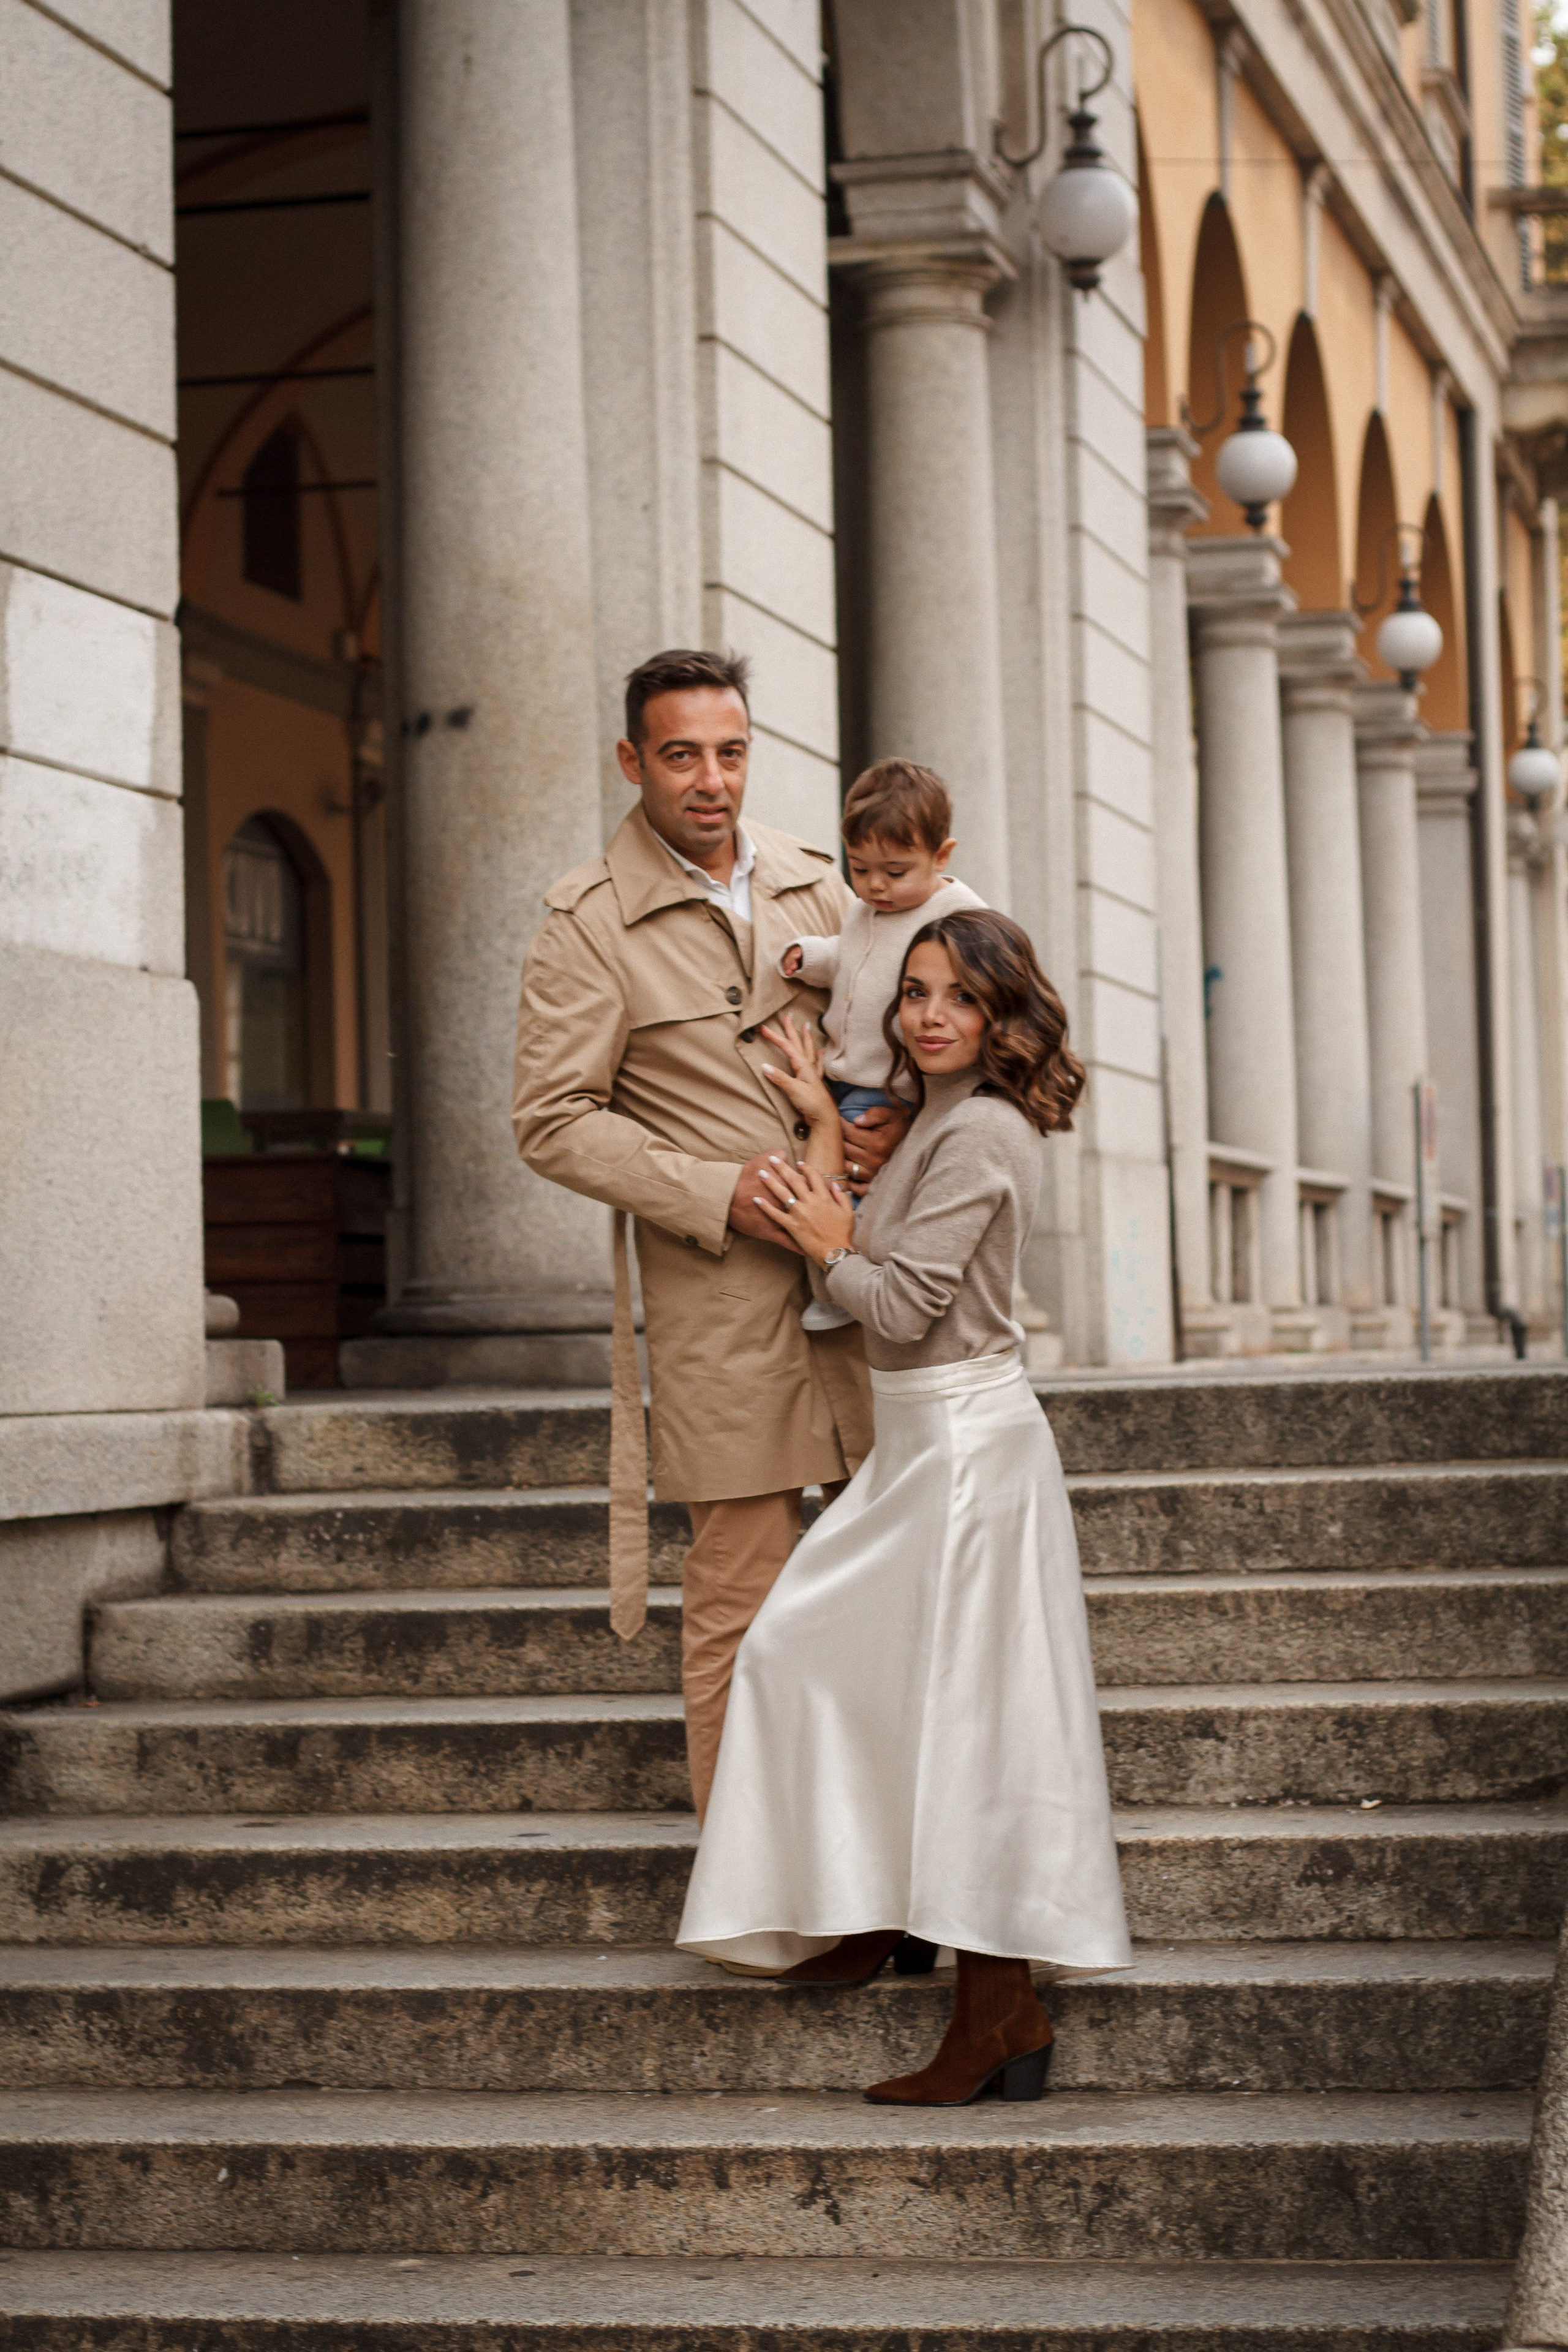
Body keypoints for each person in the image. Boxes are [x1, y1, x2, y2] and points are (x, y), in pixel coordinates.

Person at [677, 907, 1131, 2105]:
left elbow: (893, 1304)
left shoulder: (983, 1130)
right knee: (814, 1657)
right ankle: (884, 1911)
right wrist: (827, 1134)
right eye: (916, 991)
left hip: (967, 1453)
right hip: (921, 1445)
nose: (929, 1015)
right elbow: (865, 1267)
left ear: (1002, 1015)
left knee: (974, 1726)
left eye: (960, 998)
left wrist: (828, 1242)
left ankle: (999, 2013)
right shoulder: (936, 1118)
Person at [511, 648, 908, 1822]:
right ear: (632, 761)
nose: (711, 780)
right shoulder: (586, 921)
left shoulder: (823, 885)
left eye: (730, 753)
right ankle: (751, 1886)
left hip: (862, 1280)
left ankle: (881, 1851)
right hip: (721, 1308)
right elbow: (550, 1121)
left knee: (898, 1578)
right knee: (741, 1594)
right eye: (681, 755)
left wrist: (887, 1124)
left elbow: (897, 1031)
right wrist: (715, 1190)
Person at [778, 760, 985, 1333]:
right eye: (861, 868)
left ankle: (844, 1290)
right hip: (842, 1070)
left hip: (890, 1088)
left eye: (895, 871)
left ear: (942, 856)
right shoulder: (866, 909)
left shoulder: (960, 917)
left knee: (852, 1190)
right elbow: (849, 959)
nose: (874, 885)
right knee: (828, 1173)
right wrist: (809, 957)